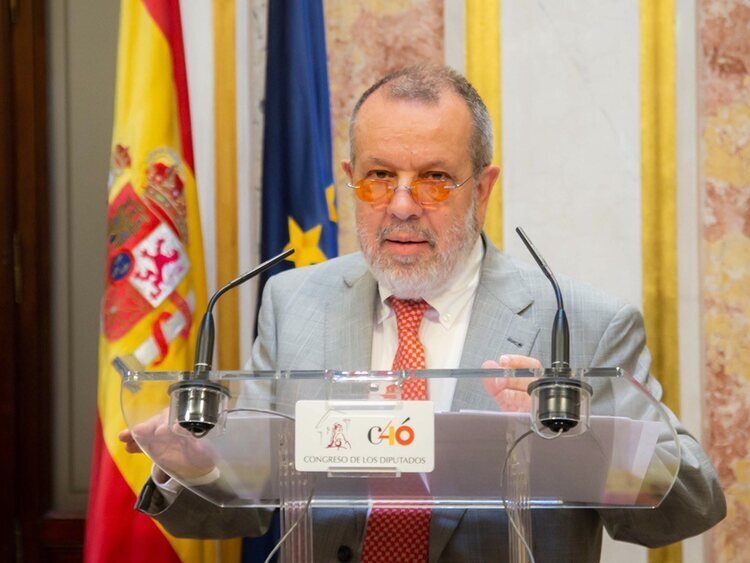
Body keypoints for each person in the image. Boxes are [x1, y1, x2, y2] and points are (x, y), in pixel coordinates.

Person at [124, 64, 725, 562]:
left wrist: (584, 439)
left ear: (482, 189)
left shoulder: (585, 322)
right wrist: (192, 465)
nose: (403, 205)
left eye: (435, 179)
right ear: (350, 180)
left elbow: (691, 505)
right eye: (379, 177)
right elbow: (242, 504)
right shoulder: (294, 302)